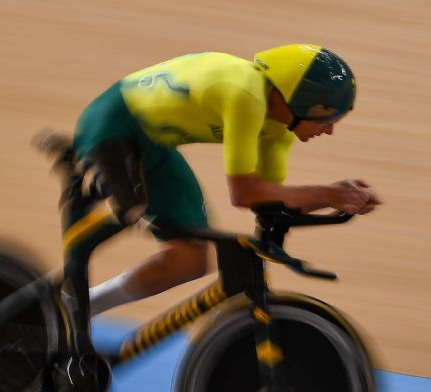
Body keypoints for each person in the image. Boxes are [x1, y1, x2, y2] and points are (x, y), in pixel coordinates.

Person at [69, 43, 381, 317]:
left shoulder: (277, 129)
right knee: (131, 211)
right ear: (300, 102)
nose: (329, 131)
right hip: (111, 128)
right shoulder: (246, 93)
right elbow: (244, 193)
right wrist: (328, 194)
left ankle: (82, 308)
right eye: (328, 119)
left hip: (152, 147)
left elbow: (267, 200)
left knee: (189, 261)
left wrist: (339, 198)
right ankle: (57, 297)